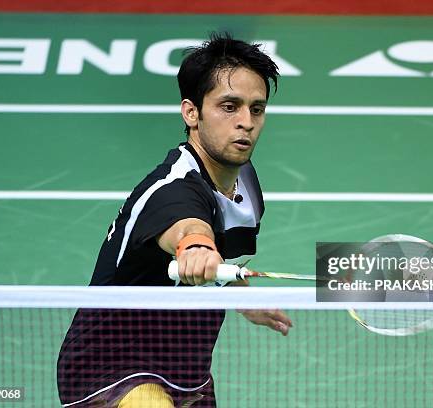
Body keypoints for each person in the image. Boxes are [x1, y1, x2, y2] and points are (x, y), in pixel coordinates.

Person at [57, 33, 293, 407]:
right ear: (191, 112)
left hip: (184, 369)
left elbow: (205, 263)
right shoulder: (173, 189)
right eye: (229, 107)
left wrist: (238, 292)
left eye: (257, 109)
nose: (246, 122)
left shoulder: (243, 180)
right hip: (111, 372)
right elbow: (186, 226)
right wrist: (196, 247)